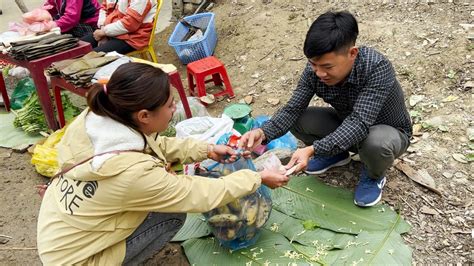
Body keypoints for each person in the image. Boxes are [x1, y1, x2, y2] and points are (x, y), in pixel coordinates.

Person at [36, 62, 289, 265]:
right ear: (144, 116)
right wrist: (257, 177)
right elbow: (198, 194)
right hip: (75, 259)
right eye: (170, 105)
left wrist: (207, 149)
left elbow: (150, 146)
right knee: (172, 213)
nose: (175, 108)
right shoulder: (134, 173)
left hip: (58, 232)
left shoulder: (99, 117)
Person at [240, 11, 412, 207]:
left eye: (327, 66)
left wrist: (313, 149)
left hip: (386, 132)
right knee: (299, 119)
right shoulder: (315, 71)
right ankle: (336, 154)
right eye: (313, 64)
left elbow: (359, 123)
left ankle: (374, 174)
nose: (320, 73)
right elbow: (293, 109)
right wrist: (262, 133)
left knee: (375, 142)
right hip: (346, 123)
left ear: (352, 53)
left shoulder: (377, 68)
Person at [81, 0, 157, 54]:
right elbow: (104, 9)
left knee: (90, 57)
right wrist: (102, 29)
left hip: (132, 38)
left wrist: (104, 32)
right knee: (77, 48)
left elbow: (129, 24)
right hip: (110, 31)